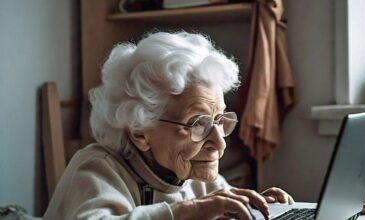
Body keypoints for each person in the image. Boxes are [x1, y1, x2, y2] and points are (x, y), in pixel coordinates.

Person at [44, 31, 294, 220]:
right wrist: (188, 212)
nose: (219, 143)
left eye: (219, 120)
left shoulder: (198, 175)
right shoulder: (96, 169)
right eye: (198, 124)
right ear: (140, 131)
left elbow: (223, 208)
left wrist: (258, 208)